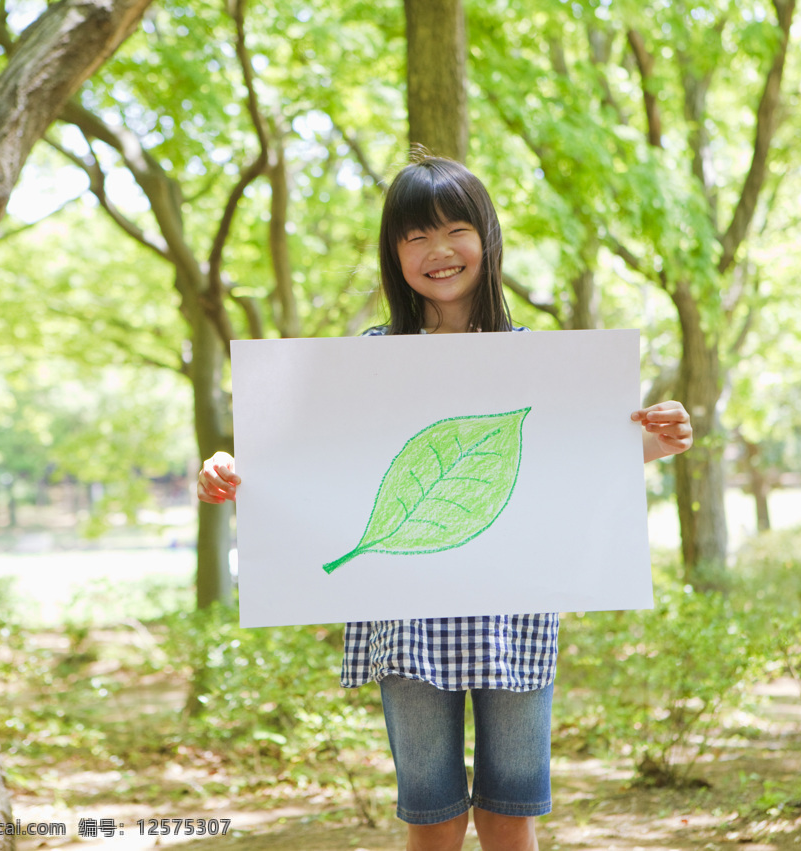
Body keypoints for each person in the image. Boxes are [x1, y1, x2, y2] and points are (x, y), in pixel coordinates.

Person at [197, 154, 693, 851]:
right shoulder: (367, 361)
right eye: (413, 236)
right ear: (393, 253)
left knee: (509, 812)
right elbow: (317, 464)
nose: (437, 251)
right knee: (430, 816)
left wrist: (656, 439)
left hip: (512, 616)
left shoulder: (538, 362)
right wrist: (232, 469)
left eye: (455, 229)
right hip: (405, 626)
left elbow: (566, 465)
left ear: (486, 240)